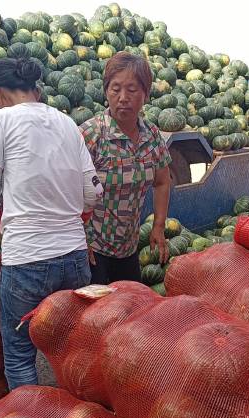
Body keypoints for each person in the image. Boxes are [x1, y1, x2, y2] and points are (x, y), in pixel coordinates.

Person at [0, 57, 101, 389]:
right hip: (74, 258)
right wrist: (76, 220)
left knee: (19, 356)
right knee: (71, 350)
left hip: (26, 261)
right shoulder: (67, 123)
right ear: (37, 89)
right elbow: (93, 191)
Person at [80, 51, 172, 284]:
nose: (123, 97)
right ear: (106, 91)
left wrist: (158, 227)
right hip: (92, 249)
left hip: (128, 248)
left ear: (146, 94)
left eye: (132, 90)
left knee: (129, 311)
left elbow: (162, 181)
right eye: (115, 88)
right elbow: (65, 190)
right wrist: (78, 240)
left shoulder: (152, 136)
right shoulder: (90, 134)